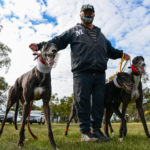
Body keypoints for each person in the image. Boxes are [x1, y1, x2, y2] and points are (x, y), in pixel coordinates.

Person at [29, 4, 130, 142]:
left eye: (90, 12)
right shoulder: (74, 31)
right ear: (81, 14)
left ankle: (97, 131)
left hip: (100, 73)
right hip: (82, 72)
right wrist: (41, 45)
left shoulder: (101, 35)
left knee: (99, 102)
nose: (88, 14)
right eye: (85, 12)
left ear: (94, 15)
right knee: (82, 100)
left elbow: (111, 51)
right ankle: (86, 133)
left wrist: (122, 54)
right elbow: (59, 40)